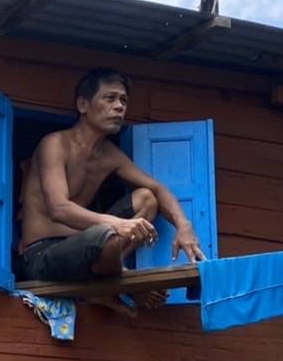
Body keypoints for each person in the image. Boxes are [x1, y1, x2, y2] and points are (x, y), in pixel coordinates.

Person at [18, 68, 206, 307]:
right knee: (105, 237)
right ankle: (118, 285)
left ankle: (107, 283)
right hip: (43, 255)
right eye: (110, 98)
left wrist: (184, 226)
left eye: (123, 100)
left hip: (90, 248)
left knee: (146, 198)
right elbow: (59, 209)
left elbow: (158, 189)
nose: (119, 107)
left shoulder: (109, 154)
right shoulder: (54, 144)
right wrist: (117, 224)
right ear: (83, 105)